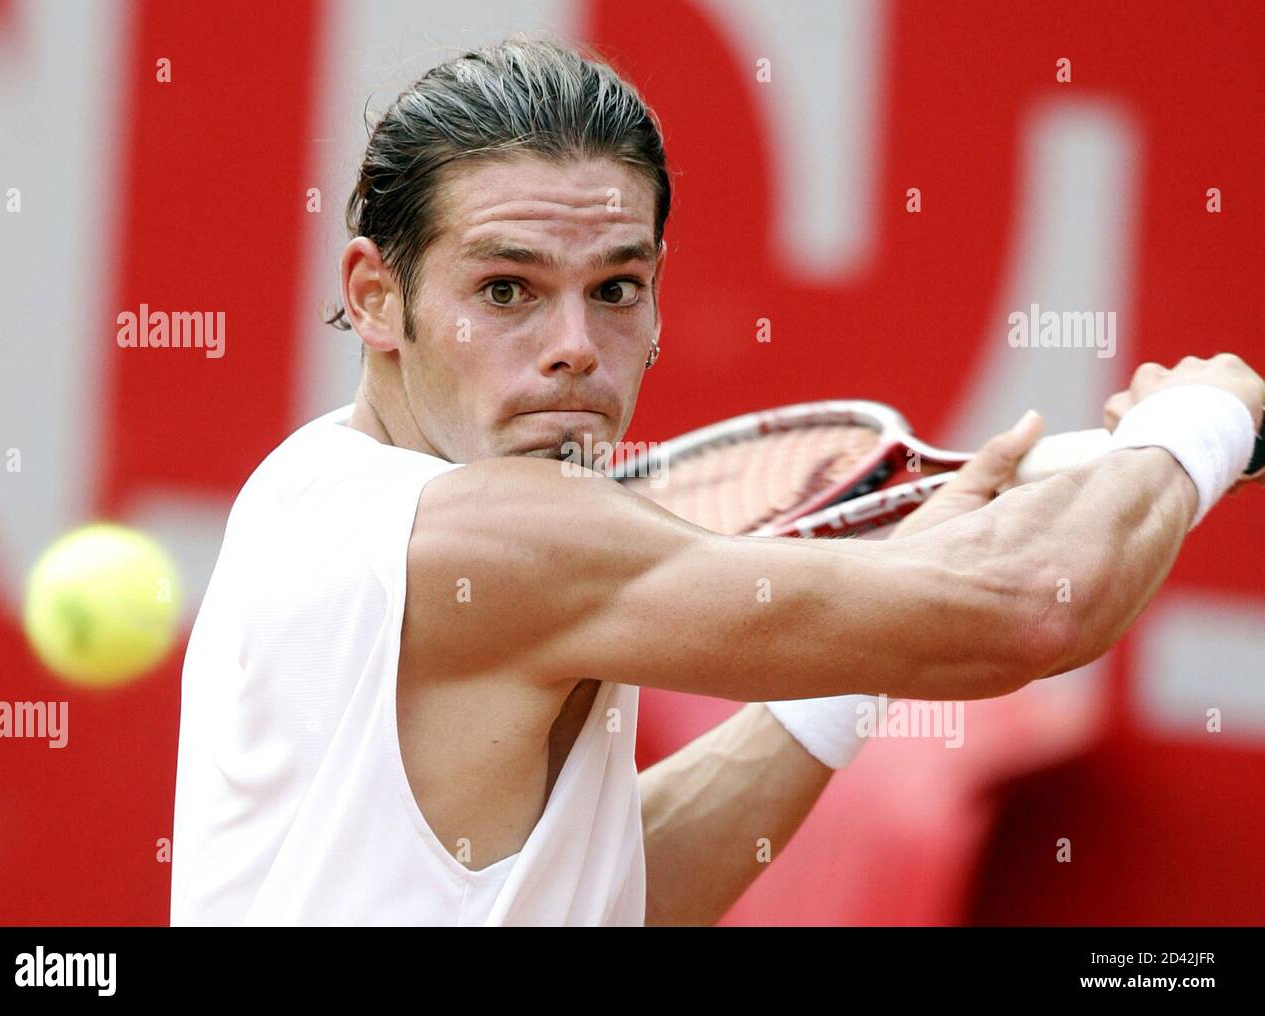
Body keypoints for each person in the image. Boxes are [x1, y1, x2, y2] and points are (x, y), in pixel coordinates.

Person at [169, 36, 1265, 927]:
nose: (574, 347)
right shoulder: (498, 536)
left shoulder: (302, 488)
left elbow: (594, 901)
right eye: (506, 289)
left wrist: (857, 657)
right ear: (373, 292)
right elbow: (1036, 605)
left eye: (616, 287)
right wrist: (1200, 425)